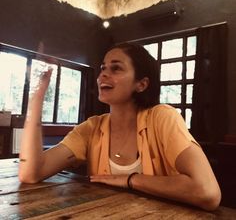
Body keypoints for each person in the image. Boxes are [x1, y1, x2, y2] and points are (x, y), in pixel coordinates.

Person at [19, 43, 221, 211]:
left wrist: (130, 179)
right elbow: (31, 173)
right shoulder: (90, 128)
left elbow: (207, 192)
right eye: (103, 68)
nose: (102, 76)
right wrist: (37, 93)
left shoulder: (162, 117)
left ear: (141, 84)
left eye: (116, 68)